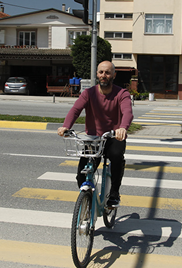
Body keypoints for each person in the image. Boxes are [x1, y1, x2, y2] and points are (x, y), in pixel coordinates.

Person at [57, 61, 133, 207]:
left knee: (117, 156)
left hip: (113, 136)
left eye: (107, 72)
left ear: (114, 75)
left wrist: (123, 128)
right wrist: (66, 126)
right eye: (101, 72)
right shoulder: (89, 93)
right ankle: (87, 199)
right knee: (81, 175)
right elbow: (75, 110)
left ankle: (114, 193)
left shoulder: (122, 94)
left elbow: (127, 112)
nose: (104, 75)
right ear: (97, 74)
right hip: (94, 139)